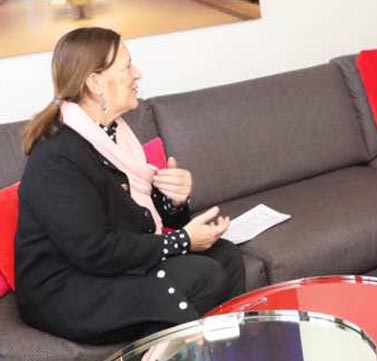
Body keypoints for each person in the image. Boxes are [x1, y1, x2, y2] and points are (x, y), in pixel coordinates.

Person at [15, 27, 245, 344]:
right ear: (95, 83)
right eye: (126, 66)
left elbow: (139, 218)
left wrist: (174, 200)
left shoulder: (115, 135)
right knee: (204, 275)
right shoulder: (57, 155)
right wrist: (182, 241)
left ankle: (228, 349)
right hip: (69, 287)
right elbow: (93, 250)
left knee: (226, 256)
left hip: (108, 265)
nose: (137, 73)